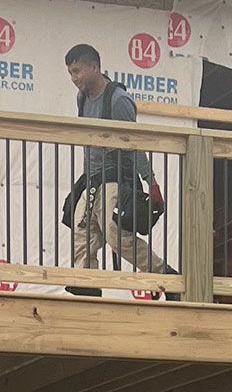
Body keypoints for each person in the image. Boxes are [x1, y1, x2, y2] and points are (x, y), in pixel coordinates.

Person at [60, 43, 174, 289]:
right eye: (71, 73)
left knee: (115, 235)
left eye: (78, 71)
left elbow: (134, 144)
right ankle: (87, 284)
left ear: (94, 67)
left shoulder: (118, 100)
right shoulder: (82, 98)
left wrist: (150, 182)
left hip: (116, 177)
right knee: (82, 231)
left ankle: (165, 274)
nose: (74, 78)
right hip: (92, 179)